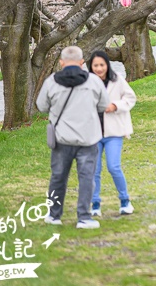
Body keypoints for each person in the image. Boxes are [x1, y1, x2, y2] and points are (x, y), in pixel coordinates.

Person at [37, 45, 111, 229]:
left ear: (61, 62)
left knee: (58, 177)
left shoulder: (51, 82)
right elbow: (104, 105)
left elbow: (41, 106)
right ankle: (84, 217)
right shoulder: (94, 81)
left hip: (62, 139)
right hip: (88, 138)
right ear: (81, 62)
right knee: (87, 177)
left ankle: (54, 215)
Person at [87, 51, 137, 217]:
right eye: (96, 65)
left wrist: (115, 106)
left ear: (107, 65)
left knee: (113, 166)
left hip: (113, 132)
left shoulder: (117, 80)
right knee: (94, 170)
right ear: (91, 67)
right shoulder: (86, 83)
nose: (99, 68)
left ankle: (125, 201)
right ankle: (95, 204)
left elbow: (131, 98)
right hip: (93, 133)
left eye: (102, 65)